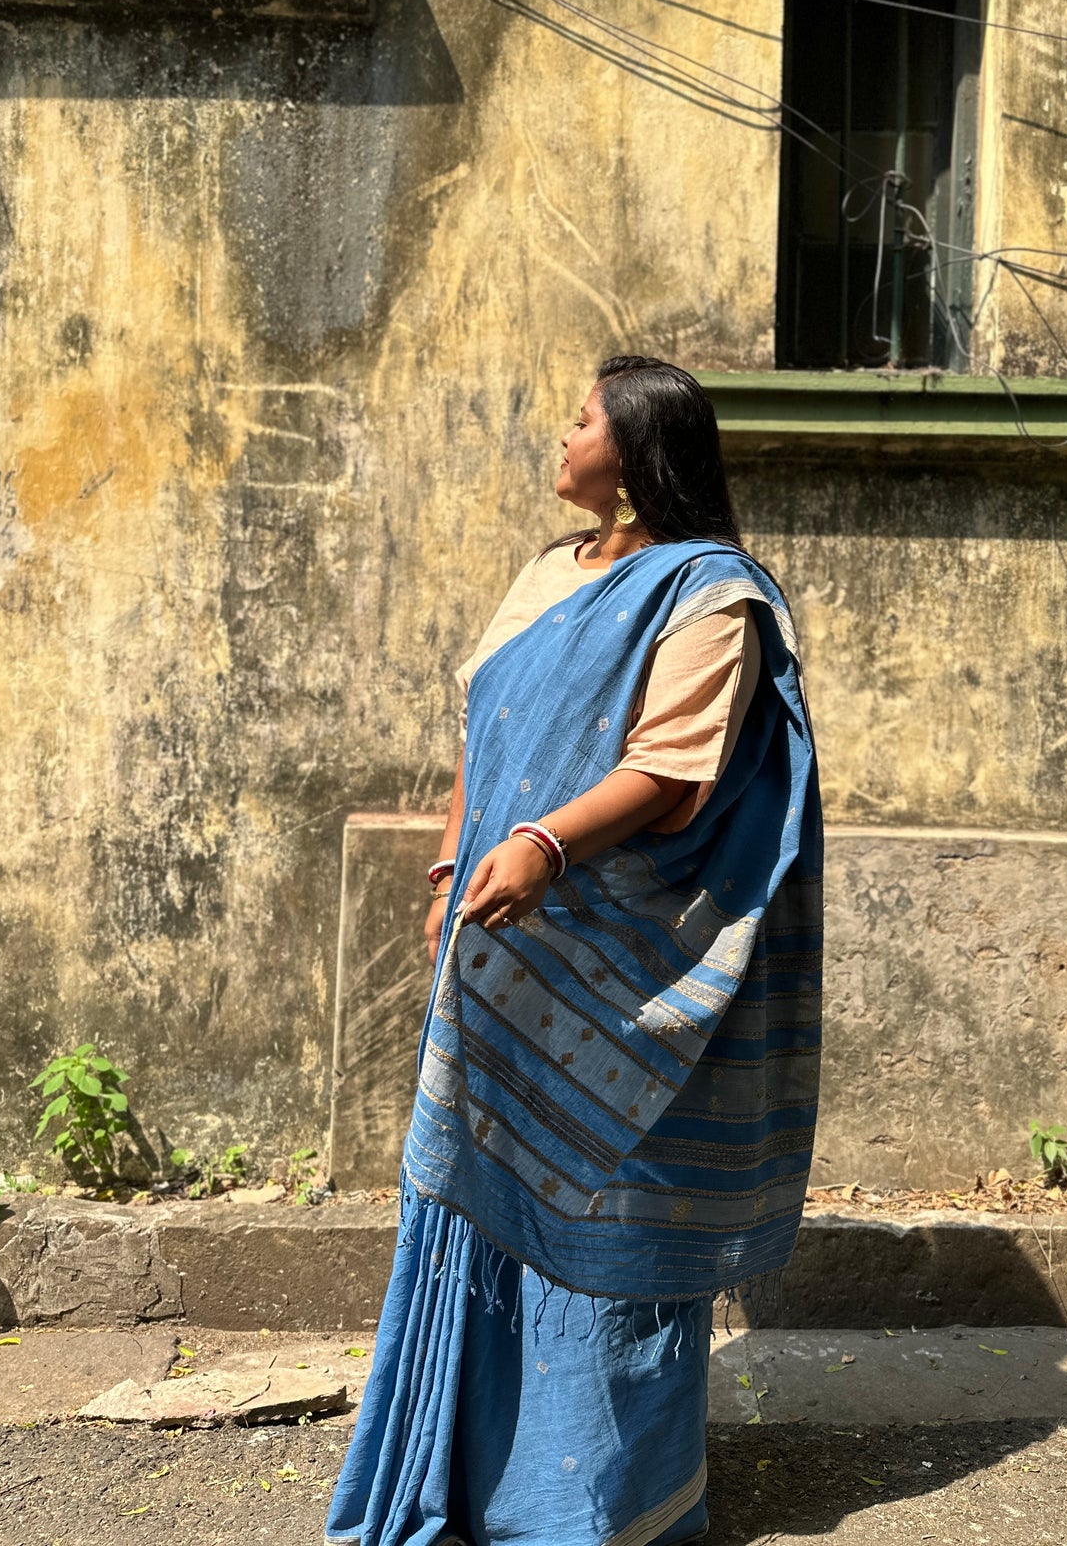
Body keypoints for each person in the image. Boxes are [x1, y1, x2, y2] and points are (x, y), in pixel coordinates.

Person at [327, 355, 822, 1546]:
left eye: (583, 416)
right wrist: (461, 852)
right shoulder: (548, 573)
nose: (561, 431)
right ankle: (458, 1475)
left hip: (614, 951)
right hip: (500, 942)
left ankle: (587, 1505)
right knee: (476, 1187)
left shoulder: (711, 594)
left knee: (609, 1204)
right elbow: (484, 719)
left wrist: (544, 845)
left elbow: (670, 767)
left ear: (640, 447)